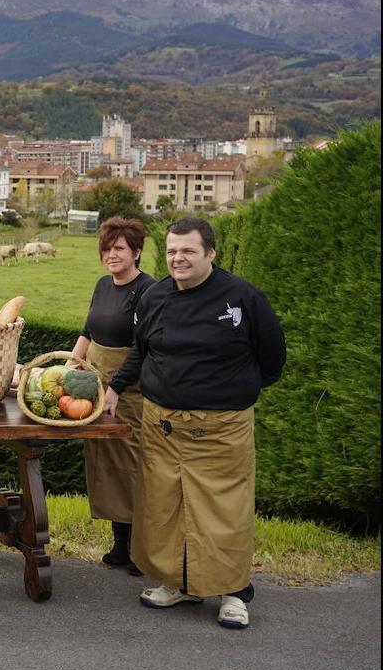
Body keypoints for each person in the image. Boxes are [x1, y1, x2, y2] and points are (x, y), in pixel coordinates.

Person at [104, 217, 285, 630]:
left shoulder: (242, 298)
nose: (178, 258)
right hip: (162, 426)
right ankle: (177, 583)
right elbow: (141, 350)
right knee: (165, 508)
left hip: (221, 430)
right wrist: (115, 387)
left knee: (224, 512)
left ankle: (235, 592)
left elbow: (272, 359)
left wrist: (227, 391)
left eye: (188, 251)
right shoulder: (155, 297)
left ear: (210, 253)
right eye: (171, 251)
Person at [69, 217, 155, 575]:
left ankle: (140, 547)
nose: (111, 255)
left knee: (132, 466)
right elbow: (88, 331)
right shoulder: (103, 285)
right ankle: (119, 543)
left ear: (136, 251)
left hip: (130, 391)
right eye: (107, 248)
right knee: (104, 464)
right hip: (95, 385)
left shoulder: (148, 290)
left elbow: (142, 347)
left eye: (119, 248)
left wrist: (117, 387)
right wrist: (69, 366)